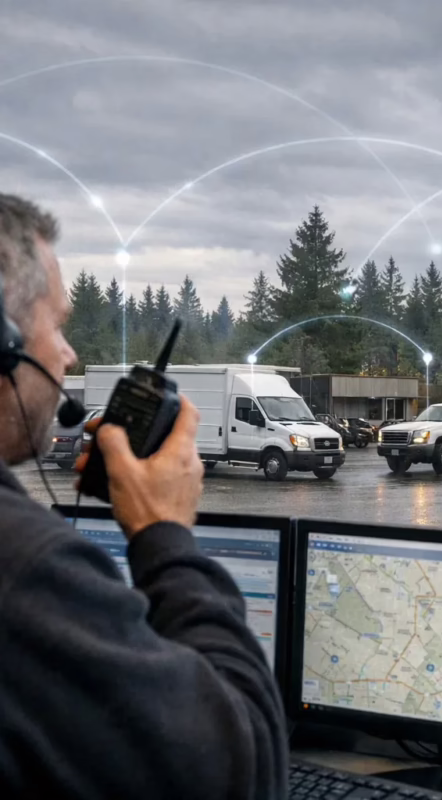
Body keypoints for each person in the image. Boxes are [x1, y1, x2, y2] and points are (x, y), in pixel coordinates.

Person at [0, 193, 289, 799]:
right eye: (58, 324)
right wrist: (164, 534)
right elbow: (244, 774)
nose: (68, 354)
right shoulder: (24, 568)